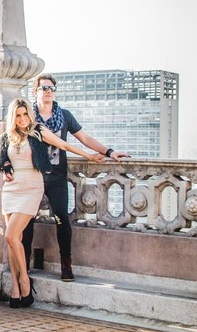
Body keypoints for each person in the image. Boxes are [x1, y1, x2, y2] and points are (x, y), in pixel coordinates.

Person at [0, 98, 103, 307]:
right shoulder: (8, 136)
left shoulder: (38, 131)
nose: (22, 119)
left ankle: (24, 281)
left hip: (32, 187)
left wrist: (90, 156)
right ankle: (16, 288)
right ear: (13, 117)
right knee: (13, 241)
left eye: (25, 114)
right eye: (18, 115)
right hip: (11, 189)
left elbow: (64, 144)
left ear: (30, 114)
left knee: (10, 236)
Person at [23, 74, 131, 282]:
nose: (49, 91)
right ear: (35, 91)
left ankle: (66, 264)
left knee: (62, 217)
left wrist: (109, 151)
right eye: (44, 88)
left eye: (52, 88)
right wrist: (7, 162)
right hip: (33, 175)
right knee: (27, 220)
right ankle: (24, 262)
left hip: (57, 176)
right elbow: (13, 140)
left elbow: (85, 138)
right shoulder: (28, 117)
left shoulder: (64, 115)